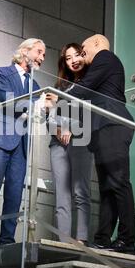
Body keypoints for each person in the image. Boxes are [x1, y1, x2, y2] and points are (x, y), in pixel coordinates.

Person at [47, 34, 135, 254]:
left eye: (83, 48)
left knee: (119, 182)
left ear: (96, 44)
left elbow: (84, 88)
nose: (82, 52)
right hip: (101, 129)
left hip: (113, 125)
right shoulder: (101, 64)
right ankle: (103, 239)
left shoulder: (105, 58)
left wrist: (58, 100)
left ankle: (127, 240)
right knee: (107, 187)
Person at [0, 38, 46, 248]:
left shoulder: (35, 85)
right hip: (0, 141)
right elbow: (7, 99)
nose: (42, 58)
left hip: (22, 146)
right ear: (25, 51)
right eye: (39, 52)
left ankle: (7, 241)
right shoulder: (2, 73)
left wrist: (43, 107)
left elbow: (39, 115)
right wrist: (35, 105)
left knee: (14, 197)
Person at [48, 43, 93, 244]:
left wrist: (70, 128)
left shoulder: (90, 84)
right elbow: (49, 117)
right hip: (57, 144)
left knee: (80, 191)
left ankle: (81, 239)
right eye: (68, 58)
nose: (73, 60)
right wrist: (58, 129)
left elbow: (89, 114)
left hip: (81, 141)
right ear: (64, 63)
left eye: (76, 55)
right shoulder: (60, 88)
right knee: (62, 194)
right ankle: (64, 241)